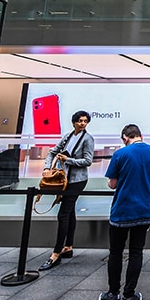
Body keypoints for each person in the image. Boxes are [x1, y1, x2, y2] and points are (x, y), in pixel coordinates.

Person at [98, 124, 150, 300]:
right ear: (140, 136)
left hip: (121, 211)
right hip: (144, 210)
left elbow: (112, 184)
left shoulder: (121, 154)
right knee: (136, 252)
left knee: (115, 252)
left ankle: (112, 294)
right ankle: (129, 296)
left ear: (125, 137)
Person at [39, 110, 94, 271]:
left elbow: (88, 161)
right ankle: (68, 246)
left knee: (63, 213)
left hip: (77, 180)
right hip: (64, 179)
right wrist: (47, 168)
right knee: (69, 212)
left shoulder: (87, 139)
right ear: (74, 122)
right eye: (80, 120)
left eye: (85, 121)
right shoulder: (68, 136)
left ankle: (56, 253)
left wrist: (68, 160)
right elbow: (52, 151)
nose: (82, 123)